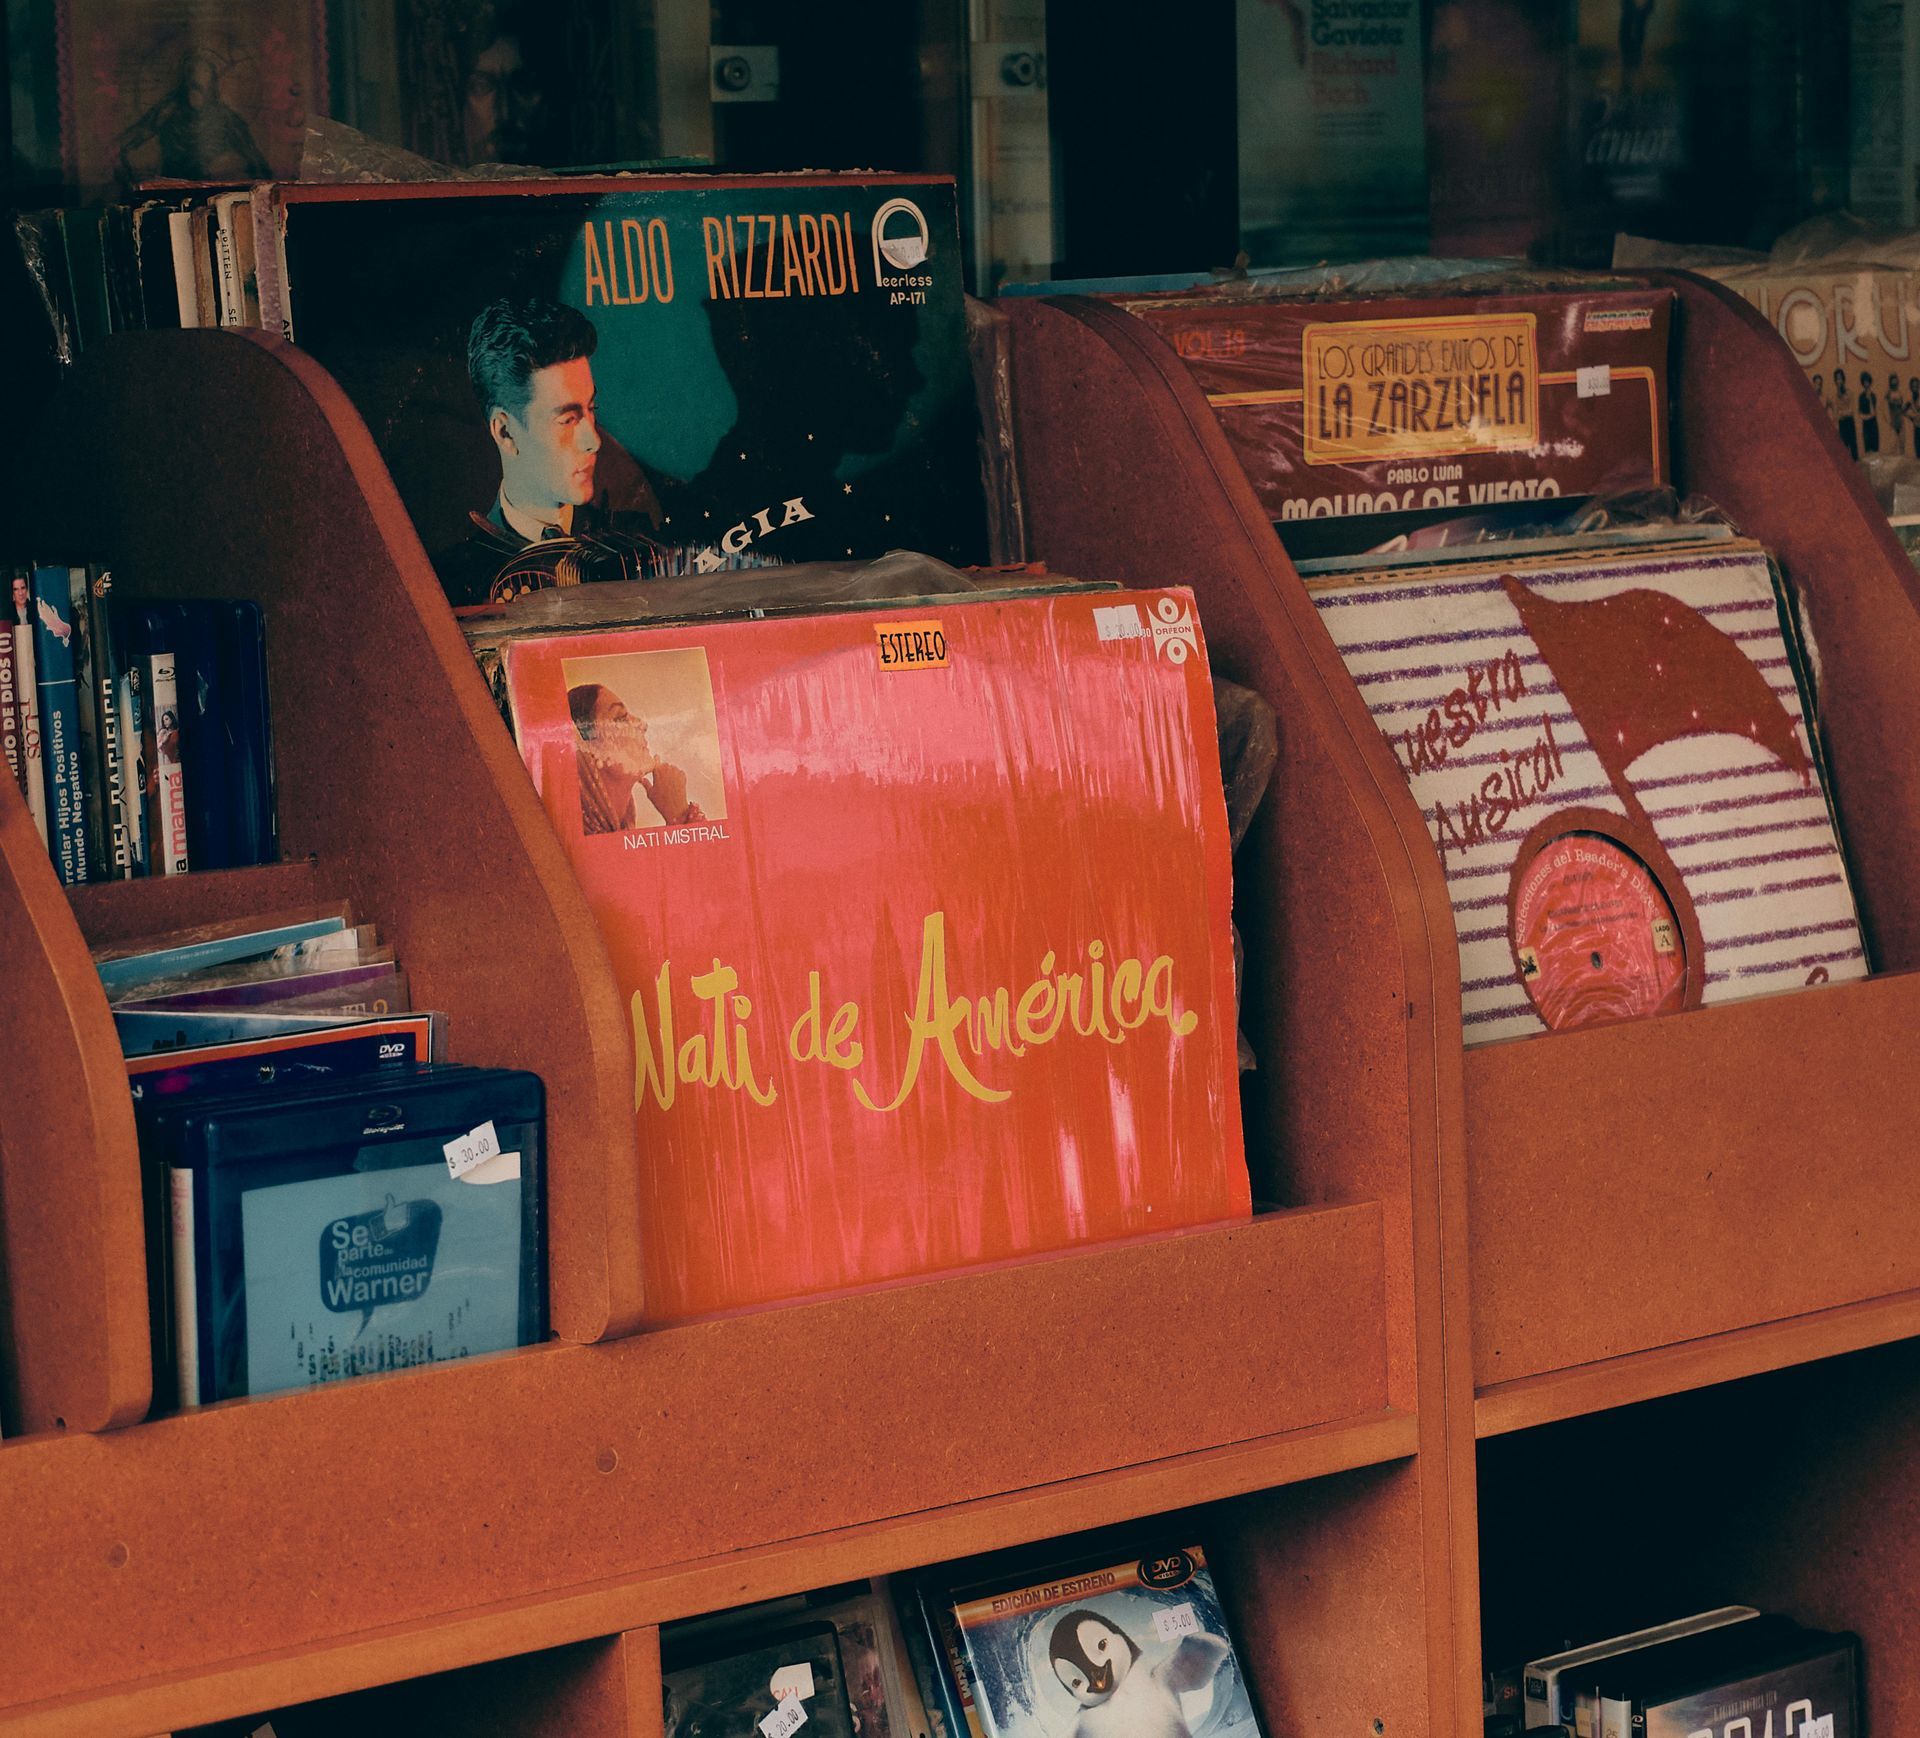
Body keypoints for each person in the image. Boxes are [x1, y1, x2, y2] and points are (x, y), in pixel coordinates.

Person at [435, 295, 680, 606]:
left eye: (592, 408)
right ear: (506, 432)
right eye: (567, 419)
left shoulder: (639, 546)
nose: (593, 440)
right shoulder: (451, 581)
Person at [567, 682, 703, 835]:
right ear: (586, 748)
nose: (642, 724)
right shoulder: (576, 836)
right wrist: (679, 816)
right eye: (621, 718)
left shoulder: (618, 829)